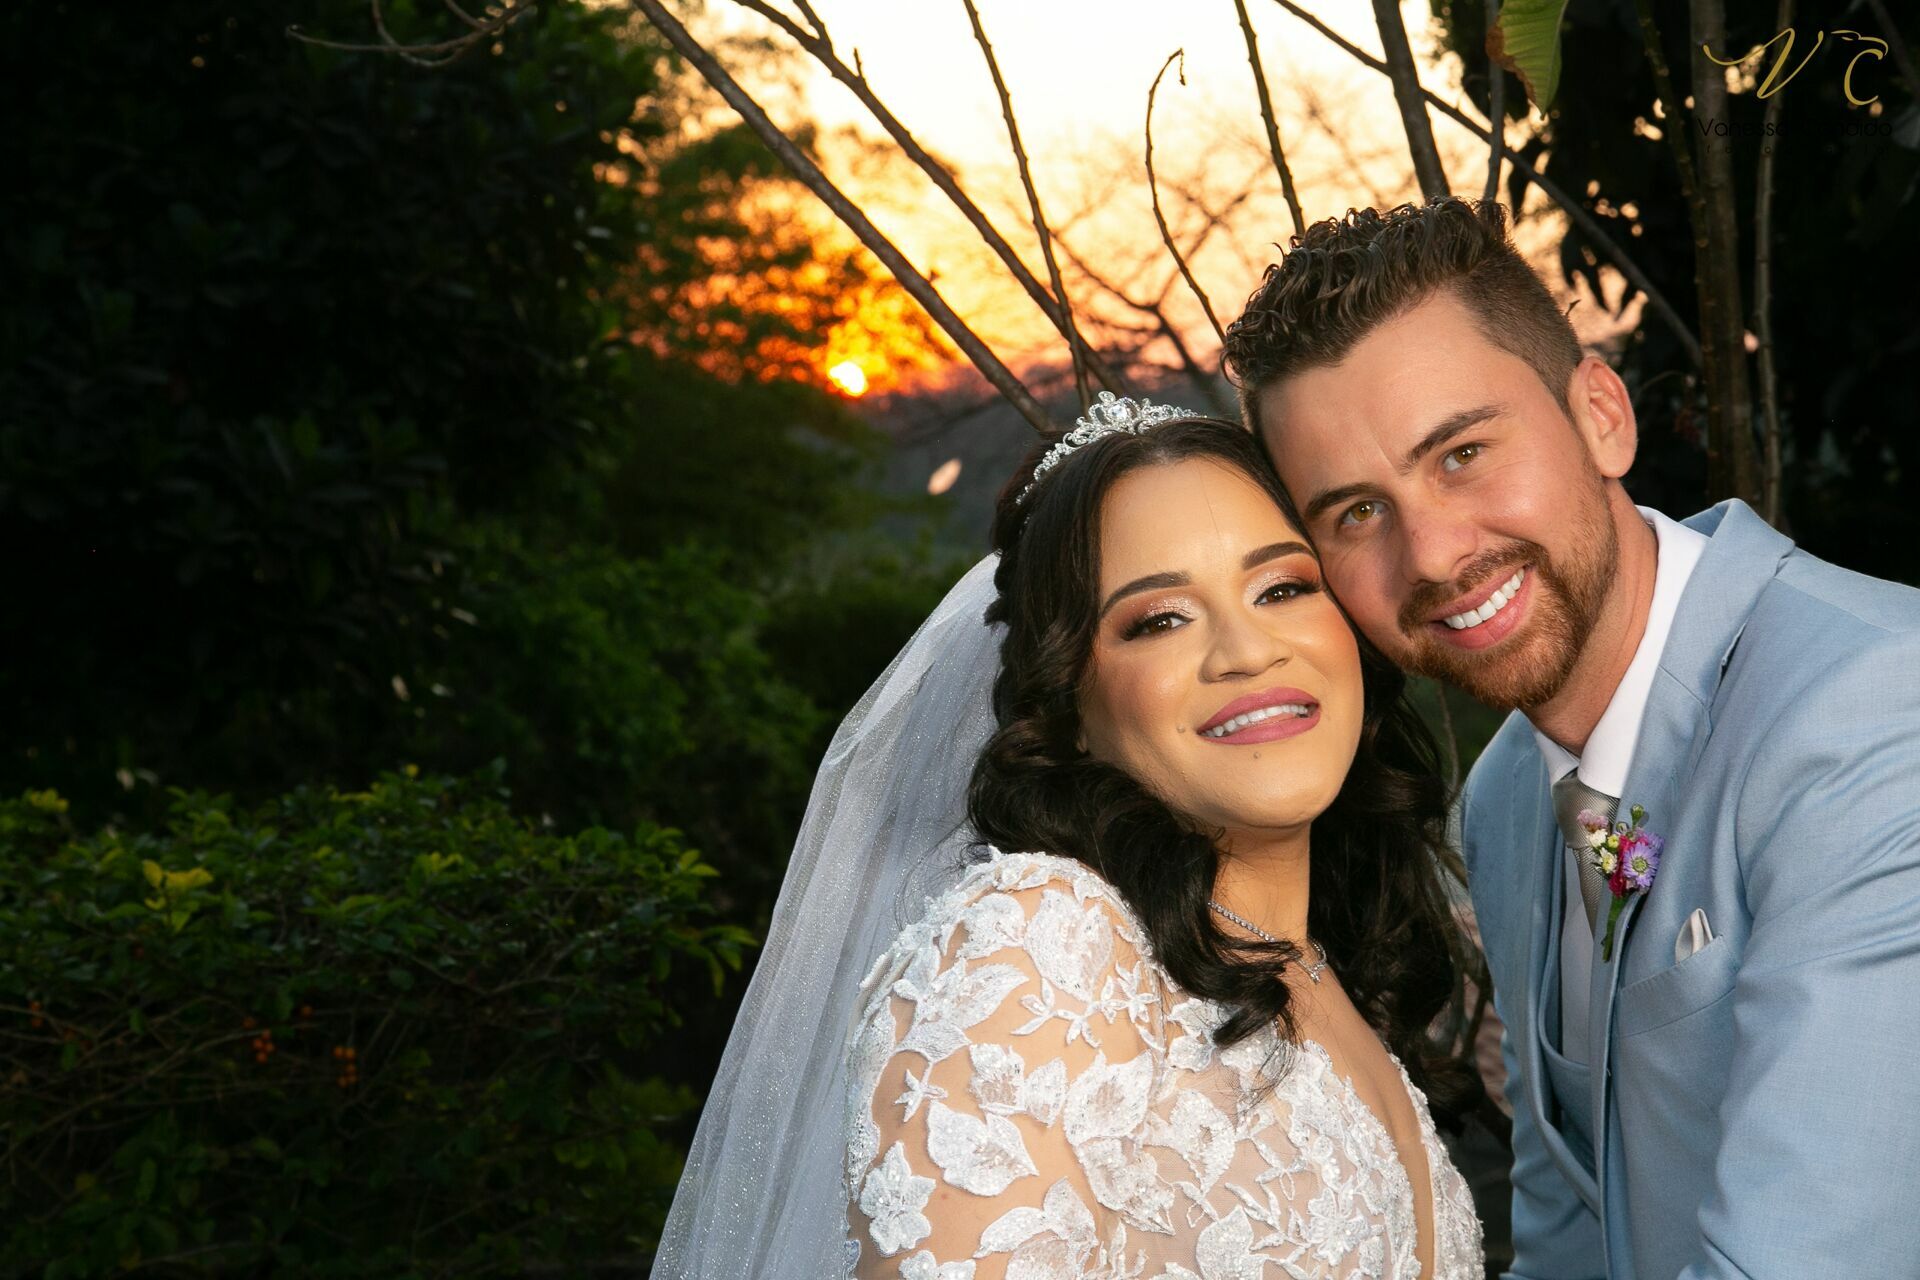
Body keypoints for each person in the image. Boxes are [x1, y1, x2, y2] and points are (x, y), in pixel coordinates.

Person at [1223, 197, 1920, 1279]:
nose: (1435, 554)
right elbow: (1566, 1224)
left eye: (1460, 453)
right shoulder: (1508, 799)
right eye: (1357, 512)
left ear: (1602, 413)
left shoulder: (1877, 707)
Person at [652, 397, 1489, 1279]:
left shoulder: (1327, 971)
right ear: (1070, 703)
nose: (1245, 649)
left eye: (1281, 586)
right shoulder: (1039, 949)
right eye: (1159, 619)